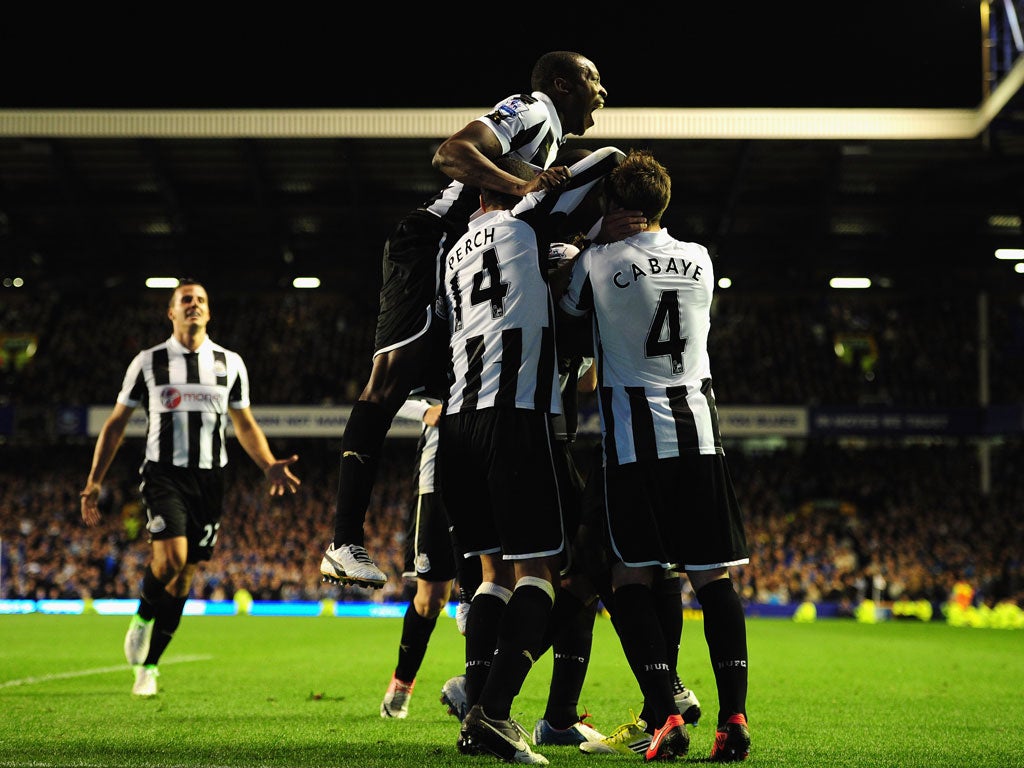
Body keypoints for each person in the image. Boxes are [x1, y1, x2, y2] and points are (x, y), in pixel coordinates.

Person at [319, 51, 608, 590]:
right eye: (595, 80)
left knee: (459, 403)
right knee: (387, 383)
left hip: (461, 267)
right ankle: (343, 539)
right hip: (430, 242)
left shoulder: (546, 144)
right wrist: (526, 184)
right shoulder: (534, 111)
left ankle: (478, 583)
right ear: (563, 84)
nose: (604, 92)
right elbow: (451, 154)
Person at [556, 149, 752, 762]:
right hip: (700, 436)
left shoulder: (597, 260)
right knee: (712, 579)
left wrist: (590, 235)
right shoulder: (700, 258)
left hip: (633, 446)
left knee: (630, 576)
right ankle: (734, 718)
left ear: (615, 207)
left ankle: (665, 715)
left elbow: (565, 307)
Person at [439, 148, 628, 765]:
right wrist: (589, 217)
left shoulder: (453, 256)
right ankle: (492, 712)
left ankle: (487, 696)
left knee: (496, 574)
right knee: (546, 573)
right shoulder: (525, 225)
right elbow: (608, 159)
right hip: (516, 419)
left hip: (458, 426)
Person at [79, 279, 301, 697]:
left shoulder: (230, 362)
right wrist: (94, 481)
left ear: (209, 312)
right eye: (186, 300)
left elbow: (245, 423)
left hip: (210, 478)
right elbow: (115, 424)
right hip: (164, 472)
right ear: (172, 312)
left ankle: (148, 668)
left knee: (184, 580)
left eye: (201, 300)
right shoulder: (148, 362)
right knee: (170, 560)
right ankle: (142, 618)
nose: (194, 305)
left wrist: (269, 463)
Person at [380, 394, 482, 718]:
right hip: (435, 483)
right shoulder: (434, 351)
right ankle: (402, 683)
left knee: (488, 589)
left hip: (485, 477)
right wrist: (425, 410)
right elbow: (386, 395)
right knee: (431, 599)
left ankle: (477, 695)